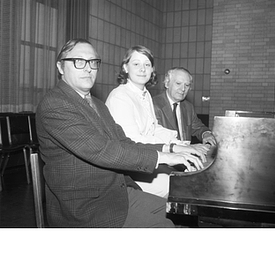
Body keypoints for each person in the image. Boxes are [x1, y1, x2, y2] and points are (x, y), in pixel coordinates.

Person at [35, 39, 207, 228]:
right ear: (60, 67)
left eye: (93, 62)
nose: (87, 68)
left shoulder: (98, 104)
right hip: (87, 207)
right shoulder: (55, 104)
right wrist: (165, 156)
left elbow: (124, 142)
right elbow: (103, 151)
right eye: (78, 61)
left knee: (180, 213)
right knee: (169, 224)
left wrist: (174, 152)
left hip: (116, 191)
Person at [105, 45, 210, 197]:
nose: (142, 69)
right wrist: (173, 149)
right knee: (179, 187)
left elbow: (155, 129)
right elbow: (132, 142)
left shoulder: (144, 94)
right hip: (126, 171)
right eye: (136, 64)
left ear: (152, 70)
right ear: (125, 67)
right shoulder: (120, 96)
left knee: (190, 176)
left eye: (147, 65)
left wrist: (185, 145)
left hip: (143, 161)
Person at [153, 67, 216, 146]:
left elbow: (198, 127)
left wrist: (206, 134)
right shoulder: (153, 105)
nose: (183, 89)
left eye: (187, 85)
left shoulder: (188, 107)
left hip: (185, 156)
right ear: (167, 83)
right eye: (178, 83)